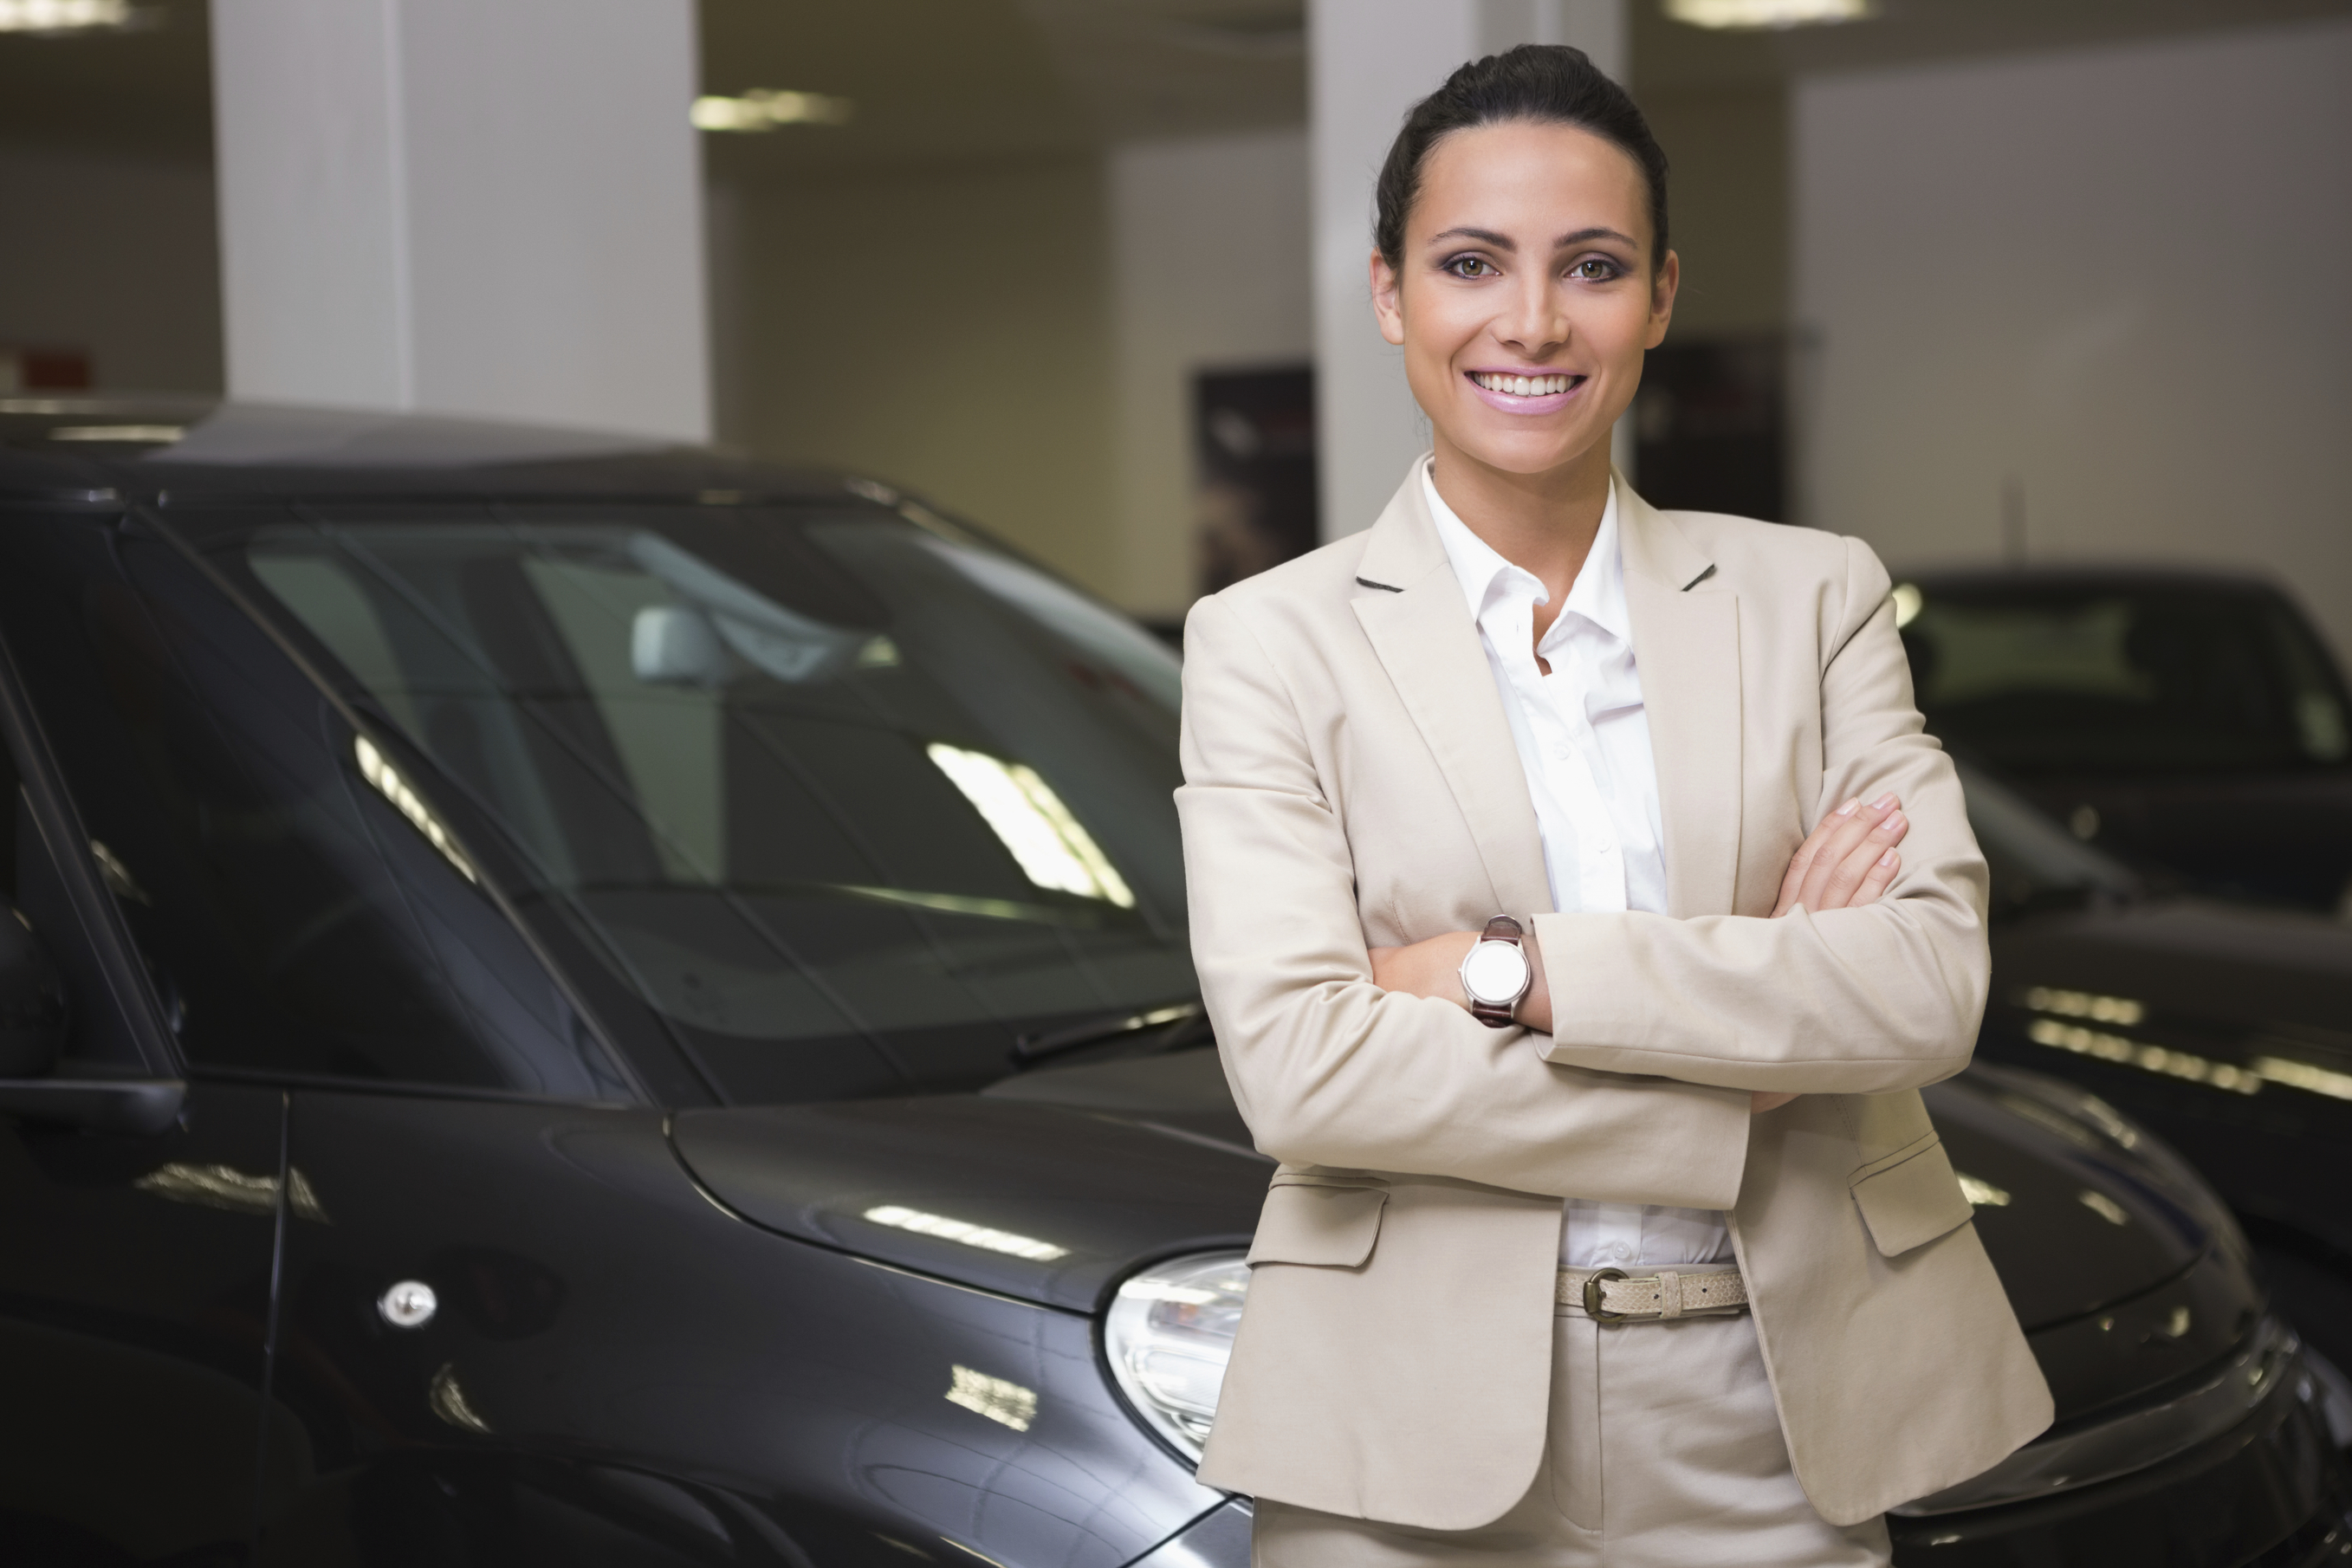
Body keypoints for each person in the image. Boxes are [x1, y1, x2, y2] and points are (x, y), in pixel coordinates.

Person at [1175, 44, 2052, 1568]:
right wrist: (1753, 1055)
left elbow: (1924, 986)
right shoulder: (1267, 639)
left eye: (1590, 266)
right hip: (1404, 1433)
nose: (1530, 321)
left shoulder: (1814, 594)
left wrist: (1507, 972)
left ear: (1655, 296)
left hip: (1778, 1420)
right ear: (1390, 294)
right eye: (1469, 263)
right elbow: (1306, 1073)